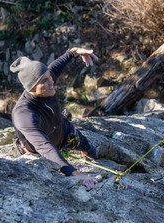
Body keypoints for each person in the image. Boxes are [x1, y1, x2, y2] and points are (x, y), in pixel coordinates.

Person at [10, 47, 99, 190]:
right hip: (39, 152)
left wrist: (74, 52)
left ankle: (90, 154)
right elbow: (44, 147)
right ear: (31, 88)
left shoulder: (46, 80)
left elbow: (61, 61)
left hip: (64, 131)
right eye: (45, 81)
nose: (51, 82)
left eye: (50, 76)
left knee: (91, 149)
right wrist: (75, 174)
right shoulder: (24, 114)